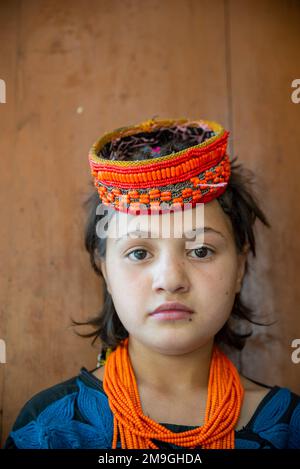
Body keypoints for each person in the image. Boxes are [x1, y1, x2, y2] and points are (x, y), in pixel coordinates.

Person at [3, 117, 300, 449]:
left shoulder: (290, 430)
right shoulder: (49, 431)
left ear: (240, 267)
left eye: (201, 250)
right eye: (139, 253)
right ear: (105, 272)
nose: (170, 280)